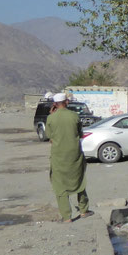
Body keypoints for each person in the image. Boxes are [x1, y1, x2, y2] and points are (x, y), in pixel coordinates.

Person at [46, 92, 92, 223]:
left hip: (58, 156)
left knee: (59, 184)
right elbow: (80, 133)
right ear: (66, 102)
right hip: (75, 154)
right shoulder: (74, 116)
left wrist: (52, 115)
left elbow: (49, 136)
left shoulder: (51, 118)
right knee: (80, 180)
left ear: (54, 104)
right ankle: (84, 210)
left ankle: (67, 216)